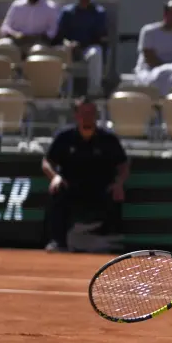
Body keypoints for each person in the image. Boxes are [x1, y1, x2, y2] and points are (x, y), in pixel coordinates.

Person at [42, 96, 129, 253]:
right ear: (76, 115)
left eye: (91, 113)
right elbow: (47, 162)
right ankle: (58, 241)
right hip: (71, 186)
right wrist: (55, 177)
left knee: (115, 195)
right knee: (56, 192)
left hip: (101, 187)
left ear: (96, 115)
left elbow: (123, 164)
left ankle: (110, 241)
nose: (87, 116)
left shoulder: (108, 139)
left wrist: (119, 183)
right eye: (83, 113)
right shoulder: (64, 137)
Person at [55, 0, 108, 96]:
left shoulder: (99, 13)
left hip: (87, 49)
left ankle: (94, 92)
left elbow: (99, 37)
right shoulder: (67, 12)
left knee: (96, 52)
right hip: (69, 48)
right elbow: (59, 35)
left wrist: (81, 45)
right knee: (60, 51)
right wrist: (69, 44)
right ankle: (61, 92)